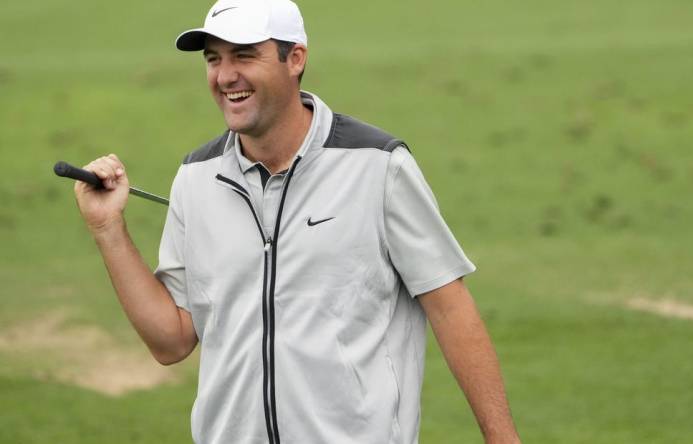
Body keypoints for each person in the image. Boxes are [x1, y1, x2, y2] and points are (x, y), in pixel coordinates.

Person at [73, 0, 520, 442]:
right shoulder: (196, 178)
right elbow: (171, 341)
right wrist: (108, 230)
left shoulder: (376, 166)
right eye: (214, 59)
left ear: (295, 59)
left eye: (244, 55)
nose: (225, 75)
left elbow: (450, 307)